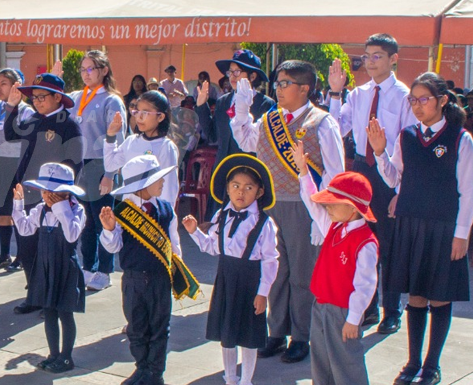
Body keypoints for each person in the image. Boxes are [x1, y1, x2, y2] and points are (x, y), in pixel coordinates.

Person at [230, 60, 345, 364]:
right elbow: (246, 141)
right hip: (271, 205)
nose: (278, 89)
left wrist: (325, 216)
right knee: (275, 272)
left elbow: (335, 172)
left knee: (302, 275)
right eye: (277, 84)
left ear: (304, 88)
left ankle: (302, 335)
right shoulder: (270, 119)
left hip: (305, 206)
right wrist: (242, 111)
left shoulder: (322, 122)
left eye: (285, 84)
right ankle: (277, 331)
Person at [370, 73, 473, 385]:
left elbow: (467, 192)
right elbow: (394, 179)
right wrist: (379, 152)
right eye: (413, 100)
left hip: (444, 227)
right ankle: (412, 362)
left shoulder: (460, 139)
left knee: (439, 296)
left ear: (442, 101)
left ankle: (432, 365)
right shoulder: (407, 136)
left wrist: (461, 234)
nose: (417, 106)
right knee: (415, 295)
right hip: (411, 223)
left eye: (424, 99)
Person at [327, 33, 417, 335]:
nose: (370, 62)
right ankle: (365, 307)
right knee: (359, 240)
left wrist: (400, 191)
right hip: (362, 169)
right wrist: (336, 93)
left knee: (389, 245)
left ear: (393, 59)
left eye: (377, 56)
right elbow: (337, 128)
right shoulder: (358, 94)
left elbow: (408, 144)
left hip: (389, 171)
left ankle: (391, 310)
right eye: (366, 56)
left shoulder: (404, 96)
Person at [183, 153, 279, 385]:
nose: (241, 192)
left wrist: (263, 292)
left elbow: (271, 260)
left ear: (259, 192)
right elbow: (212, 247)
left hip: (250, 280)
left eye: (248, 188)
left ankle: (246, 383)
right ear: (227, 189)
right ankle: (230, 380)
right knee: (227, 332)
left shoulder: (264, 223)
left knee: (247, 334)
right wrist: (194, 233)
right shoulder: (221, 216)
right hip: (226, 277)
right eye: (235, 186)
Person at [99, 154, 200, 385]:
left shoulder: (165, 209)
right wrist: (109, 229)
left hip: (158, 277)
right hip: (132, 277)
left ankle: (155, 372)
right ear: (143, 185)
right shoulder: (123, 211)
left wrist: (177, 273)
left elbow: (174, 245)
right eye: (157, 179)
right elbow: (113, 246)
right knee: (136, 328)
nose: (163, 182)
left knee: (159, 327)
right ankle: (141, 367)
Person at [296, 159, 379, 385]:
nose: (327, 208)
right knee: (322, 359)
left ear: (353, 208)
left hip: (344, 311)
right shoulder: (333, 226)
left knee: (346, 361)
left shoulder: (365, 241)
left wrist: (354, 319)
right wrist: (303, 173)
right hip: (321, 304)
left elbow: (365, 285)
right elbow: (311, 203)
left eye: (333, 204)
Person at [4, 73, 84, 313]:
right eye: (34, 97)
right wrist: (12, 108)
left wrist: (62, 195)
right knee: (27, 246)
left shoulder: (68, 125)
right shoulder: (33, 119)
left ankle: (54, 299)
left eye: (42, 97)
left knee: (51, 250)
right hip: (29, 191)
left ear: (57, 97)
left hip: (53, 197)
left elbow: (74, 162)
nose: (37, 102)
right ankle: (35, 294)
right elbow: (11, 135)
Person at [13, 163, 88, 371]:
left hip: (65, 267)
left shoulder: (76, 210)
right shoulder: (41, 210)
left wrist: (61, 208)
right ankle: (53, 354)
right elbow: (25, 229)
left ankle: (66, 357)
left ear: (66, 193)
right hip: (46, 266)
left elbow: (71, 234)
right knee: (49, 312)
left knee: (65, 313)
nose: (46, 196)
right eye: (44, 191)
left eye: (52, 192)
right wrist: (18, 205)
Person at [70, 51, 126, 291]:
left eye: (91, 68)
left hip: (101, 164)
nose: (86, 73)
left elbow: (119, 139)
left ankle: (105, 270)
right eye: (83, 69)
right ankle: (88, 267)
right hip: (81, 165)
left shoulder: (111, 101)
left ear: (104, 70)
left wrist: (110, 174)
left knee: (104, 219)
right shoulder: (77, 97)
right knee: (87, 221)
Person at [196, 49, 276, 206]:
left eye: (237, 72)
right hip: (223, 171)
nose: (232, 76)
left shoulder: (265, 104)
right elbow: (212, 136)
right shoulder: (223, 102)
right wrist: (201, 105)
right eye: (230, 72)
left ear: (252, 76)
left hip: (248, 172)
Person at [104, 89, 179, 213]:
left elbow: (169, 187)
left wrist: (165, 216)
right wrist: (111, 136)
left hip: (151, 215)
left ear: (160, 117)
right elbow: (110, 165)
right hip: (128, 211)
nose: (139, 117)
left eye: (145, 112)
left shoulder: (166, 146)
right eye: (137, 111)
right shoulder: (131, 141)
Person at [0, 68, 25, 271]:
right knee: (2, 211)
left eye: (4, 84)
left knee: (16, 211)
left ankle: (21, 255)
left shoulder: (25, 110)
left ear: (15, 86)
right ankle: (4, 255)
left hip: (15, 163)